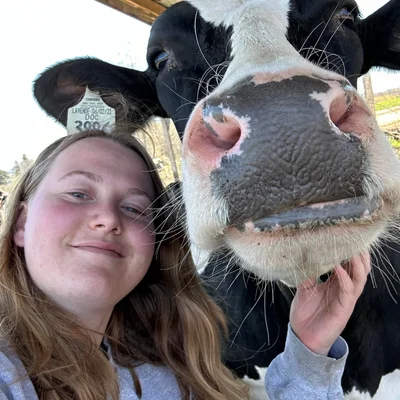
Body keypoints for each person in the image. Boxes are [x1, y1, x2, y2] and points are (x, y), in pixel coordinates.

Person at [0, 129, 370, 400]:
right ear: (21, 222)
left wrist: (308, 350)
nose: (108, 219)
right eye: (78, 193)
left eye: (133, 208)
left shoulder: (167, 373)